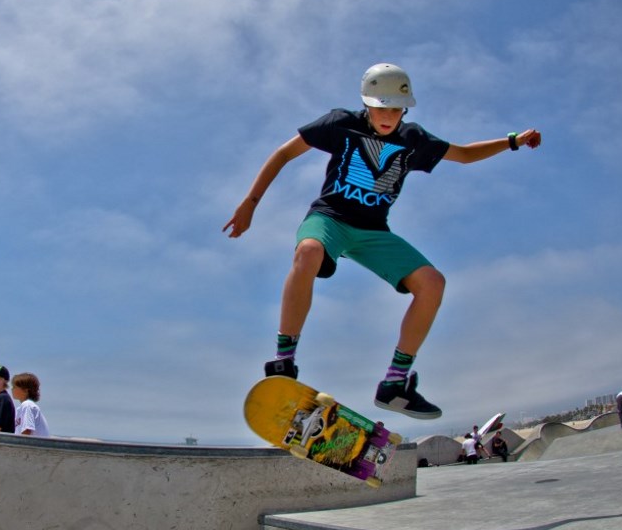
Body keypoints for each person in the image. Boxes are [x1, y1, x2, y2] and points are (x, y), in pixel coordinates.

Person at [224, 62, 542, 419]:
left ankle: (395, 384)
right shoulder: (339, 123)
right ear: (367, 104)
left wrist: (512, 141)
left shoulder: (414, 139)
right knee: (309, 251)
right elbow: (284, 153)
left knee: (432, 283)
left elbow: (464, 155)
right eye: (381, 108)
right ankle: (284, 361)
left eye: (395, 109)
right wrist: (250, 204)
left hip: (374, 231)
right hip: (329, 218)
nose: (388, 116)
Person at [11, 372, 52, 436]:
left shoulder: (27, 405)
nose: (12, 389)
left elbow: (27, 431)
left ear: (26, 390)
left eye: (14, 386)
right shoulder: (20, 408)